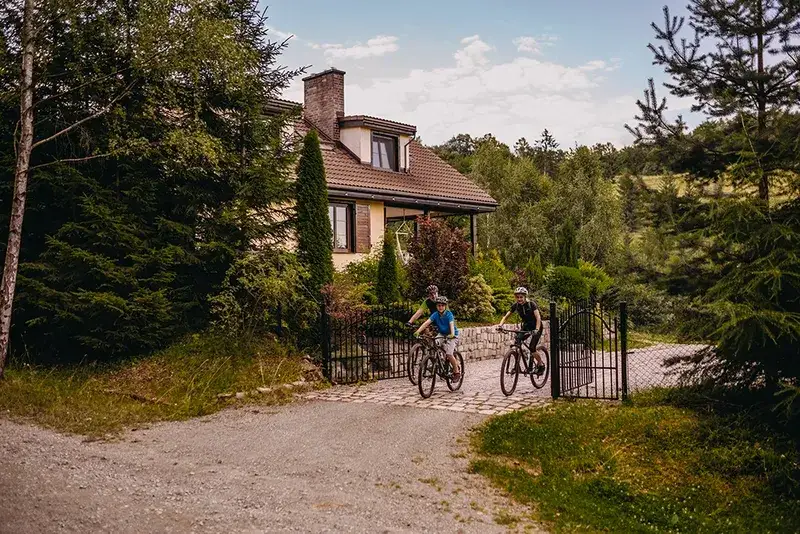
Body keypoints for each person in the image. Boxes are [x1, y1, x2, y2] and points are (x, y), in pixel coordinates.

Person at [497, 287, 545, 375]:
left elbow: (538, 318)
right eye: (517, 297)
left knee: (532, 348)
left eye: (521, 297)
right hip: (526, 326)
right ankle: (518, 364)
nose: (519, 299)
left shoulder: (532, 304)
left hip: (536, 327)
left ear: (525, 297)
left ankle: (541, 364)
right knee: (517, 342)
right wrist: (500, 325)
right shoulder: (516, 305)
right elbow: (506, 316)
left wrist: (537, 329)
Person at [413, 295, 461, 381]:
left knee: (449, 354)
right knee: (434, 344)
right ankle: (437, 362)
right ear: (436, 306)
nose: (441, 307)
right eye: (439, 305)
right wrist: (418, 331)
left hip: (452, 335)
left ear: (445, 306)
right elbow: (426, 323)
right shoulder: (435, 314)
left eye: (442, 305)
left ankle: (456, 371)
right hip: (442, 334)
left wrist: (452, 334)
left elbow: (451, 325)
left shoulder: (449, 314)